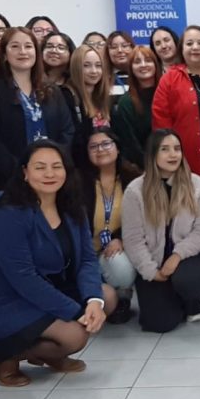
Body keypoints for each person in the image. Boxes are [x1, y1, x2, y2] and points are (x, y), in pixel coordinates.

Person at [0, 141, 116, 387]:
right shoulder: (10, 212)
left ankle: (51, 355)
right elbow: (23, 278)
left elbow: (87, 259)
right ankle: (5, 355)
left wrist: (93, 300)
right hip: (8, 299)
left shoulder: (72, 207)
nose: (49, 174)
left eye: (56, 167)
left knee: (107, 297)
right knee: (75, 336)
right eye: (40, 167)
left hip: (53, 287)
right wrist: (76, 312)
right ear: (25, 173)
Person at [0, 27, 74, 224]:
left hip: (49, 181)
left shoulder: (51, 90)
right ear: (4, 53)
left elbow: (67, 130)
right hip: (5, 182)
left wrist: (53, 166)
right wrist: (22, 172)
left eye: (28, 46)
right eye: (15, 46)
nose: (22, 52)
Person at [121, 129, 200, 332]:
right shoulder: (135, 191)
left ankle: (190, 298)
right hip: (153, 263)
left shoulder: (198, 186)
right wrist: (150, 271)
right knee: (159, 324)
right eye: (165, 149)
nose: (173, 155)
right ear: (152, 154)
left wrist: (177, 255)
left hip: (186, 258)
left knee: (190, 280)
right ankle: (171, 298)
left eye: (177, 149)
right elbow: (132, 239)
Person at [152, 25, 200, 176]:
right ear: (181, 49)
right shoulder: (169, 79)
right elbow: (161, 123)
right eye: (189, 44)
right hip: (186, 163)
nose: (195, 47)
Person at [82, 128, 142, 324]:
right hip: (87, 251)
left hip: (115, 248)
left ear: (117, 148)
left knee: (121, 269)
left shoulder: (133, 178)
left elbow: (144, 218)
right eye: (94, 146)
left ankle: (122, 295)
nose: (100, 149)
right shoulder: (79, 181)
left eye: (106, 144)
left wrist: (121, 237)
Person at [65, 44, 113, 166]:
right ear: (76, 68)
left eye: (98, 66)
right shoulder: (67, 96)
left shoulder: (102, 99)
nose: (94, 71)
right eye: (86, 66)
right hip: (80, 167)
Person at [113, 46, 161, 167]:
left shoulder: (167, 94)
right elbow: (130, 143)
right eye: (137, 62)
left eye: (148, 60)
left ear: (156, 65)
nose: (143, 65)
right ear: (131, 68)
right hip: (143, 167)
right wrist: (150, 167)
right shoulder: (126, 102)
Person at [107, 31, 135, 96]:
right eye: (114, 47)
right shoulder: (101, 78)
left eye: (124, 46)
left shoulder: (141, 75)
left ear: (133, 48)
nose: (120, 50)